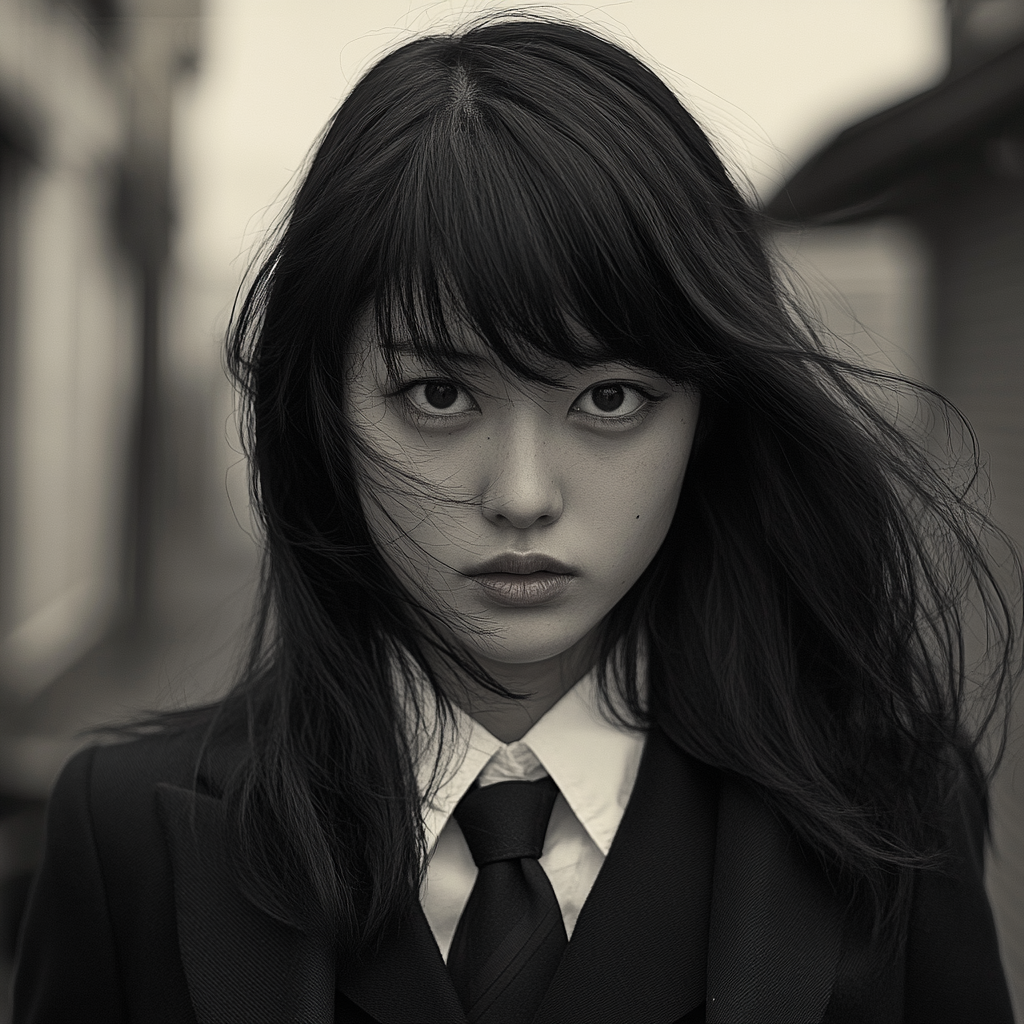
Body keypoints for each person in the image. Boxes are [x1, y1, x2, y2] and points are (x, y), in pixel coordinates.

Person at [12, 15, 1019, 1024]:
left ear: (709, 415)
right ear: (321, 413)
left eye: (611, 398)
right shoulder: (127, 838)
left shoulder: (888, 817)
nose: (524, 493)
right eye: (439, 395)